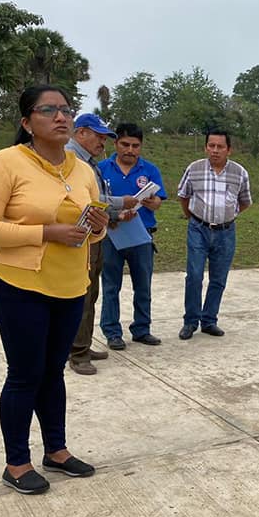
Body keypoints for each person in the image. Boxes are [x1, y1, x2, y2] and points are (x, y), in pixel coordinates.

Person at [0, 85, 108, 494]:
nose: (61, 117)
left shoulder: (82, 169)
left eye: (66, 109)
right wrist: (46, 232)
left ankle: (57, 451)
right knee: (25, 374)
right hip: (18, 284)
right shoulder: (6, 163)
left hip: (69, 287)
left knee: (53, 372)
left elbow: (87, 233)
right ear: (27, 122)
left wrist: (96, 230)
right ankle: (16, 463)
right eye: (49, 110)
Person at [66, 113, 137, 375]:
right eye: (98, 136)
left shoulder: (86, 162)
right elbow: (83, 201)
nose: (102, 143)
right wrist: (120, 203)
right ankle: (78, 352)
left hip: (92, 234)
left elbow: (96, 198)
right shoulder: (70, 160)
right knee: (81, 295)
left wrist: (116, 211)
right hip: (80, 236)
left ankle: (80, 344)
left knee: (90, 293)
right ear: (81, 132)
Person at [177, 129, 252, 340]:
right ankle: (190, 321)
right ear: (205, 147)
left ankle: (209, 320)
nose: (215, 150)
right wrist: (190, 216)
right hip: (198, 229)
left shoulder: (239, 173)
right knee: (194, 275)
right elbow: (183, 195)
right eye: (211, 146)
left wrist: (230, 215)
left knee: (218, 279)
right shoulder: (194, 169)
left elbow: (245, 201)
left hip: (225, 231)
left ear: (229, 149)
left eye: (220, 147)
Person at [98, 122, 167, 350]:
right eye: (125, 144)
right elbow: (94, 200)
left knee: (143, 285)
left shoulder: (149, 170)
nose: (130, 150)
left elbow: (159, 201)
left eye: (135, 146)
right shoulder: (101, 169)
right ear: (115, 143)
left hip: (142, 235)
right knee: (110, 285)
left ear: (141, 146)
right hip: (111, 234)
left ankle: (141, 329)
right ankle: (112, 332)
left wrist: (153, 202)